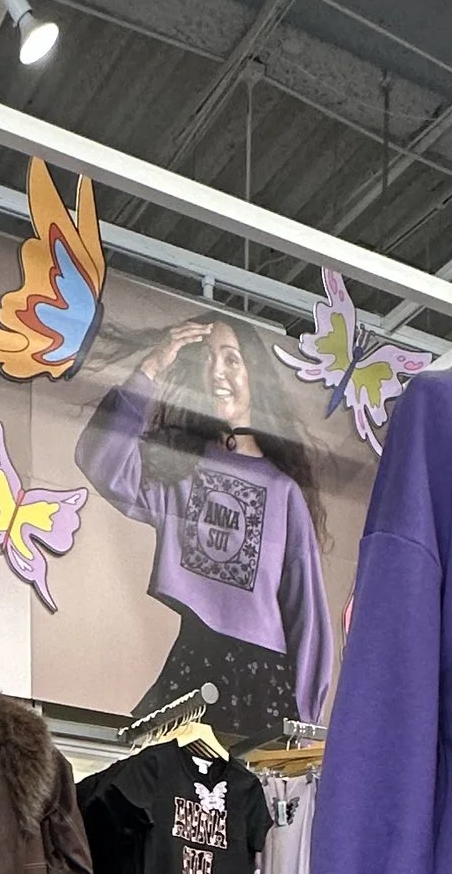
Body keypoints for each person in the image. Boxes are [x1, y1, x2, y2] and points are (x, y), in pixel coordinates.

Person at [76, 316, 336, 748]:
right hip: (195, 662)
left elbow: (306, 612)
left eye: (231, 359)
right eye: (207, 359)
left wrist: (306, 725)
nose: (217, 371)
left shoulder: (281, 490)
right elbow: (102, 459)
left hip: (264, 678)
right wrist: (151, 370)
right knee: (157, 786)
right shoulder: (181, 473)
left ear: (255, 378)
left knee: (246, 808)